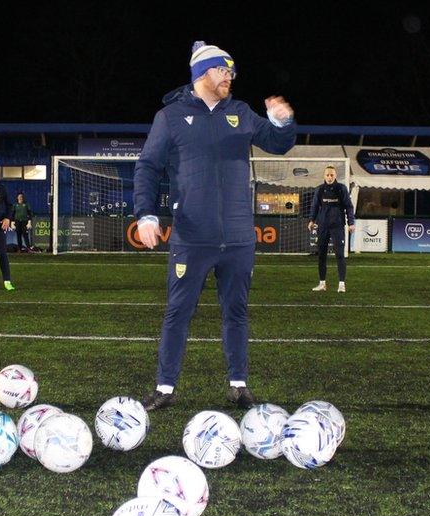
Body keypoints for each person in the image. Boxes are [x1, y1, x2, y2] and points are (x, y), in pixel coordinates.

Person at [134, 41, 296, 411]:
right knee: (178, 312)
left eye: (231, 71)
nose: (230, 77)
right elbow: (147, 167)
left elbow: (276, 143)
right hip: (192, 237)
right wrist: (146, 214)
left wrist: (283, 122)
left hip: (239, 237)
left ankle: (238, 385)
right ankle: (165, 387)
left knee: (236, 311)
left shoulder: (240, 112)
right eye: (224, 70)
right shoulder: (170, 117)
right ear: (203, 73)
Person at [307, 166, 355, 292]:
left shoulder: (341, 189)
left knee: (340, 255)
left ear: (335, 176)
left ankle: (341, 284)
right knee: (321, 255)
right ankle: (322, 284)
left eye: (331, 175)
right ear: (324, 176)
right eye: (327, 175)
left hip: (337, 226)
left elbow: (349, 207)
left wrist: (351, 223)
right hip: (322, 226)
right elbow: (315, 206)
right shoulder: (320, 189)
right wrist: (312, 220)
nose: (329, 177)